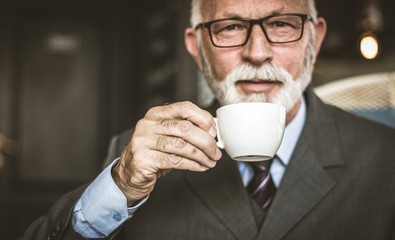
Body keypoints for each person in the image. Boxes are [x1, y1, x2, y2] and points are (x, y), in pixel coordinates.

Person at [21, 0, 395, 239]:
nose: (257, 52)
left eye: (281, 24)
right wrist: (121, 185)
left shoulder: (386, 158)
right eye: (230, 27)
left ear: (314, 39)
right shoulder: (133, 157)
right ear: (195, 48)